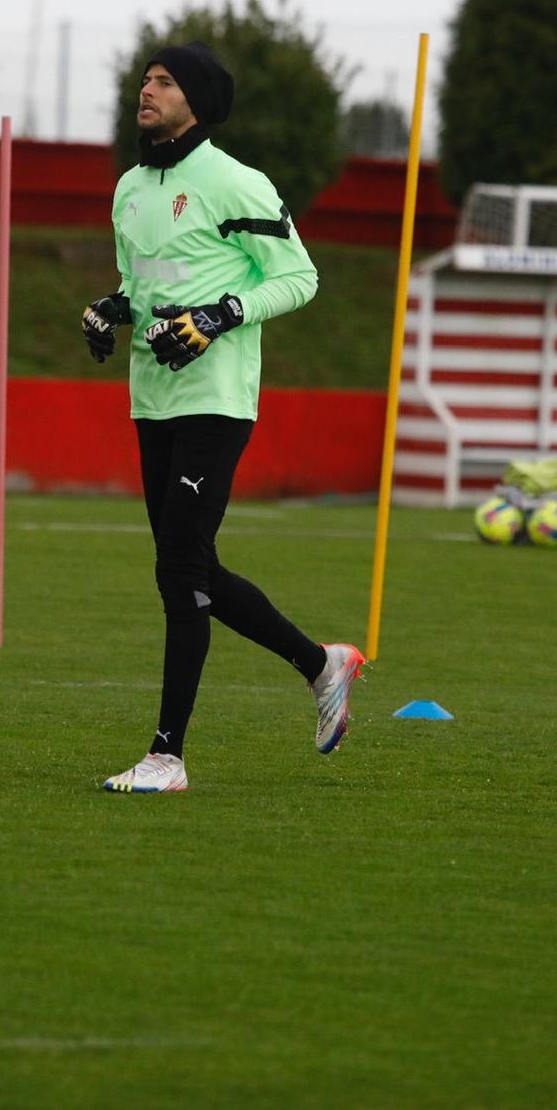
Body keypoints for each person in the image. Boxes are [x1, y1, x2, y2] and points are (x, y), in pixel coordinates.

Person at [82, 40, 365, 795]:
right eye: (145, 78)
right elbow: (138, 283)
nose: (147, 90)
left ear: (197, 100)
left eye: (165, 81)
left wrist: (222, 312)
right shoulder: (129, 187)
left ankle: (166, 757)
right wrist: (111, 309)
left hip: (217, 399)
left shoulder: (236, 180)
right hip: (152, 398)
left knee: (178, 567)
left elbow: (299, 276)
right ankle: (321, 663)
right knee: (194, 564)